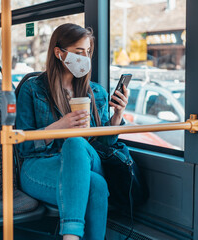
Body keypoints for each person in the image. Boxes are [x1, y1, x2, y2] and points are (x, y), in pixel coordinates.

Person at [16, 23, 129, 240]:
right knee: (96, 185)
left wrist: (117, 116)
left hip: (87, 161)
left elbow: (104, 145)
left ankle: (70, 236)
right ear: (59, 53)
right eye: (79, 52)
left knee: (76, 143)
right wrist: (59, 127)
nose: (85, 57)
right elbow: (24, 146)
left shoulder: (97, 92)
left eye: (88, 52)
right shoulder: (32, 89)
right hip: (40, 163)